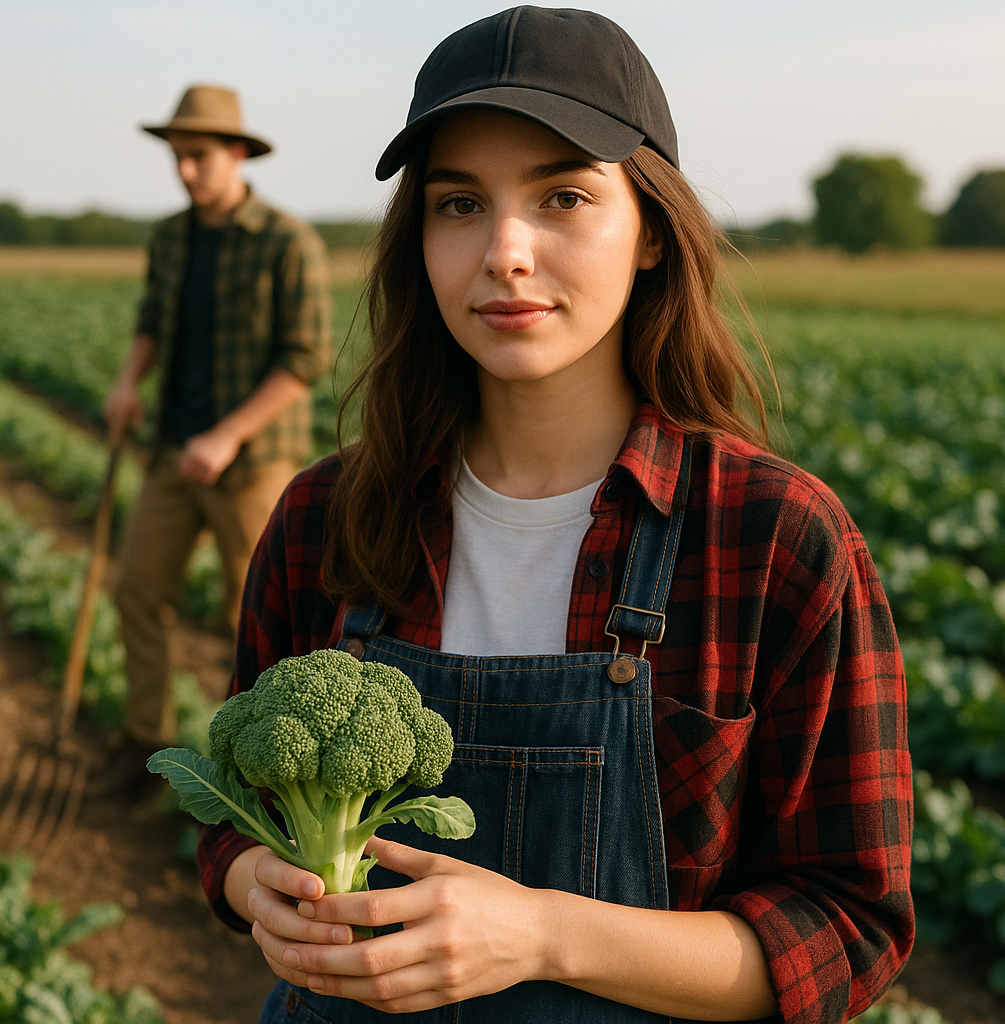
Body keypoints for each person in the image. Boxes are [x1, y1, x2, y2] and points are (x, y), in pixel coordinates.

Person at [197, 9, 914, 1023]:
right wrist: (248, 882)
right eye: (459, 204)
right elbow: (236, 809)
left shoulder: (777, 538)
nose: (505, 252)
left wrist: (540, 933)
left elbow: (848, 926)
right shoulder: (325, 514)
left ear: (654, 231)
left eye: (563, 196)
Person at [102, 84, 332, 788]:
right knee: (137, 590)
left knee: (258, 620)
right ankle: (146, 740)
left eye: (199, 156)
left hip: (253, 459)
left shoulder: (286, 241)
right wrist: (125, 382)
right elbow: (150, 321)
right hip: (174, 448)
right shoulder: (171, 238)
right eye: (178, 157)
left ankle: (261, 776)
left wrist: (229, 435)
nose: (186, 171)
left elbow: (305, 357)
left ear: (236, 153)